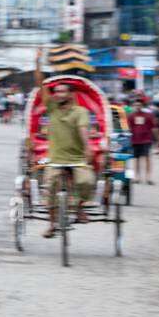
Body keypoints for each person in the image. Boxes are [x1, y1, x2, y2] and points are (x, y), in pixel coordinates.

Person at [38, 81, 94, 235]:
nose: (58, 94)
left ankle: (79, 207)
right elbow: (40, 85)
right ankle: (51, 224)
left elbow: (82, 129)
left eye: (62, 91)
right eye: (56, 92)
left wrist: (87, 147)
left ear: (71, 94)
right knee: (50, 189)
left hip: (77, 159)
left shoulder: (80, 111)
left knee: (87, 181)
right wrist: (37, 64)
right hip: (55, 160)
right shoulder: (52, 108)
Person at [127, 98, 159, 185]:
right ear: (134, 106)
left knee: (147, 158)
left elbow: (154, 128)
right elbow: (129, 128)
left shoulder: (149, 115)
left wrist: (158, 140)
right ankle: (137, 177)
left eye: (139, 105)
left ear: (142, 105)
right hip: (135, 140)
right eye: (136, 105)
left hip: (146, 140)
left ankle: (148, 177)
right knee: (136, 159)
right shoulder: (131, 116)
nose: (137, 106)